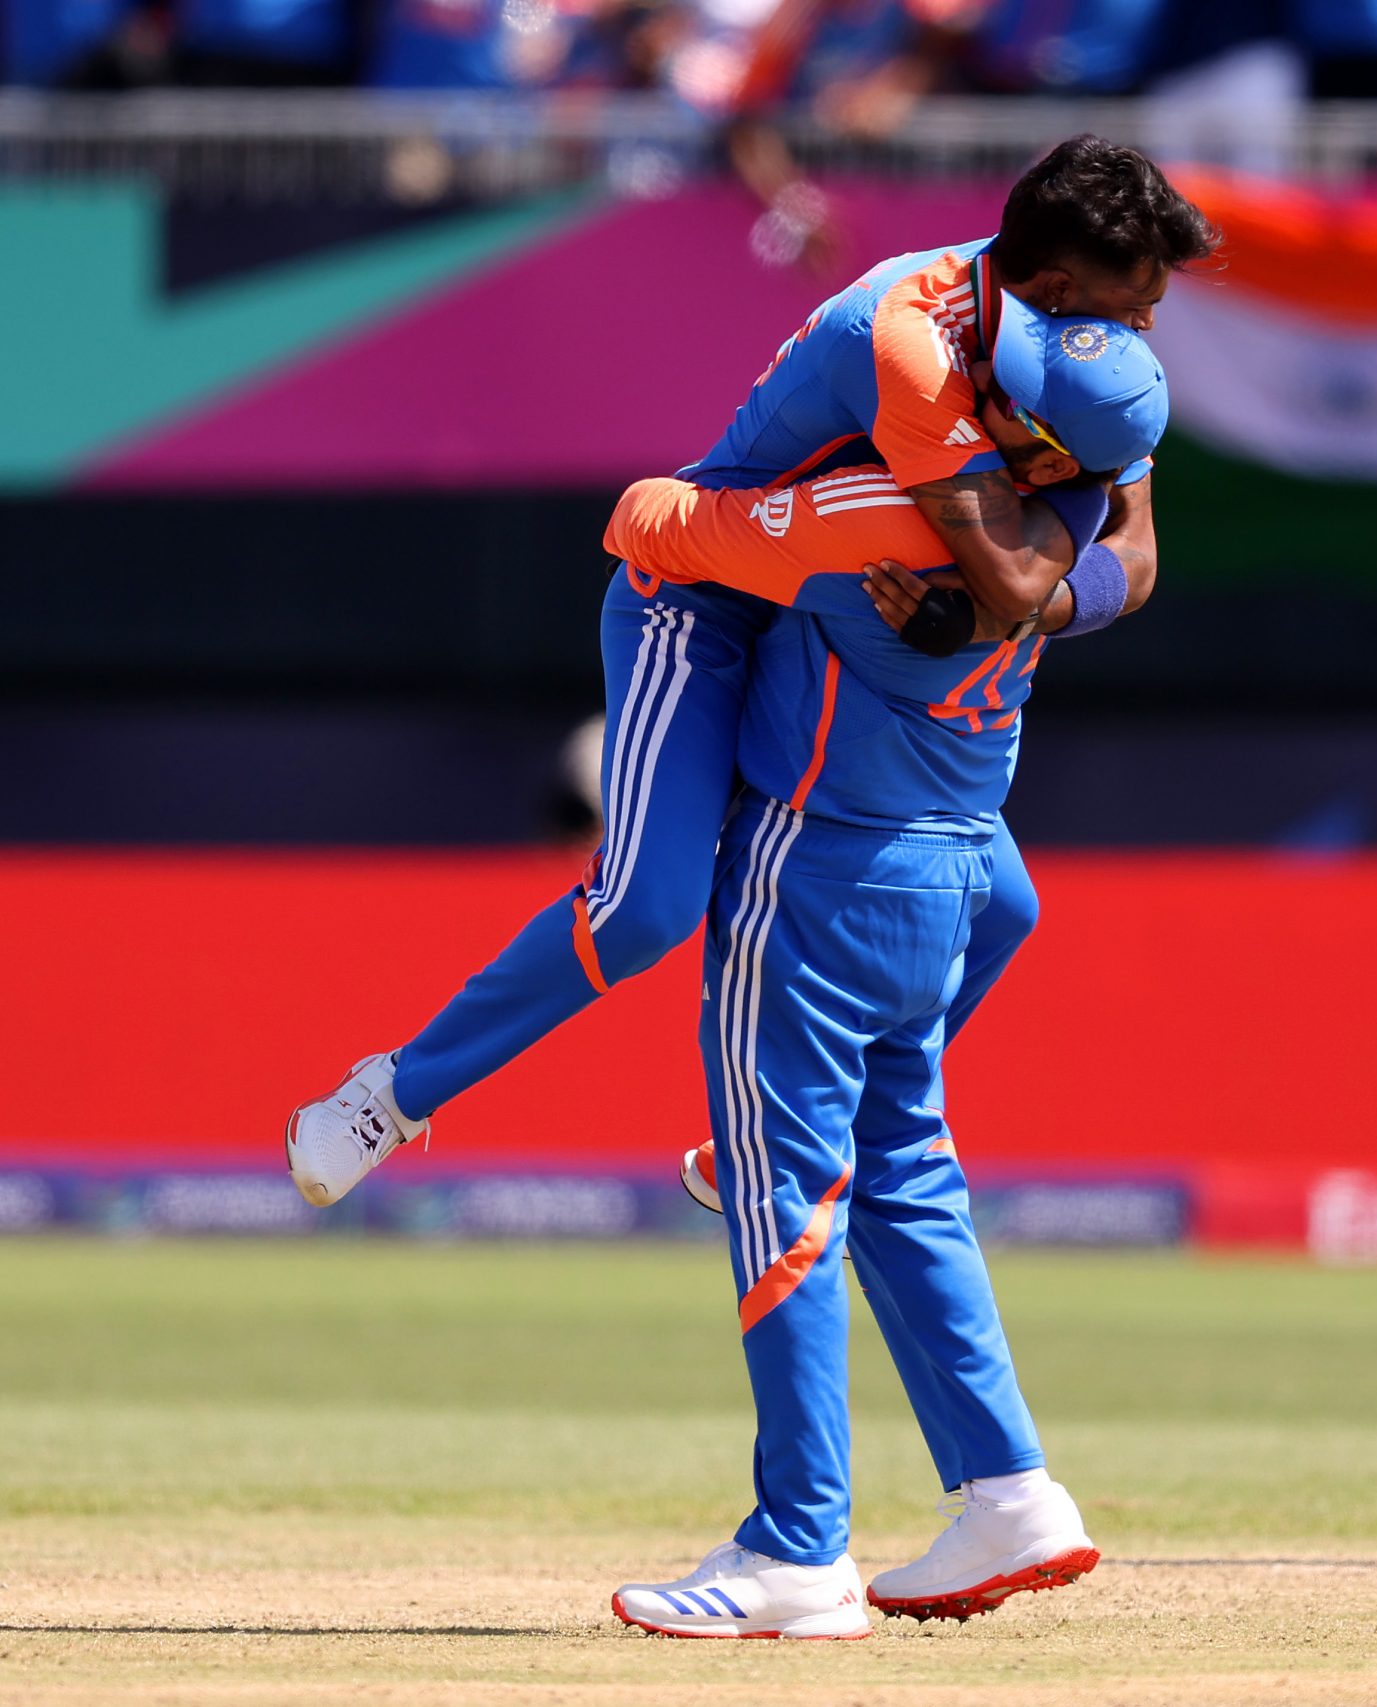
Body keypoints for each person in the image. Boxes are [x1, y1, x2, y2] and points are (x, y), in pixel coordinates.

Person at [286, 134, 1214, 1202]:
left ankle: (780, 1134)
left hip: (835, 620)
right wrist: (1034, 588)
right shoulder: (909, 338)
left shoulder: (1072, 363)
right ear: (1055, 289)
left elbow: (1131, 560)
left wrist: (1034, 595)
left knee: (1002, 907)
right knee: (646, 909)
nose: (1144, 334)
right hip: (711, 591)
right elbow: (1010, 582)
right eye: (1132, 306)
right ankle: (390, 1095)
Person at [590, 309, 1162, 1639]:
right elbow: (1124, 550)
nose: (972, 412)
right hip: (954, 875)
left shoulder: (897, 518)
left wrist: (669, 508)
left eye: (1002, 406)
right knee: (904, 1170)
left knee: (779, 1189)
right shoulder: (1063, 533)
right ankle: (1011, 1488)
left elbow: (667, 527)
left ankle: (797, 1547)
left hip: (820, 869)